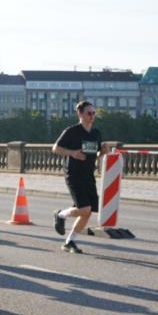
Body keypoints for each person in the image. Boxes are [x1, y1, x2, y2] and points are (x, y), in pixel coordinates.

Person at [52, 100, 107, 254]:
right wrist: (72, 153)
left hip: (88, 175)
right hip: (73, 175)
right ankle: (61, 215)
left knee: (87, 212)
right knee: (85, 208)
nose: (92, 116)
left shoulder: (96, 133)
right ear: (80, 114)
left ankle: (69, 241)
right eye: (89, 113)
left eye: (94, 113)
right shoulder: (71, 131)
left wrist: (102, 152)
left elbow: (94, 154)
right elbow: (55, 148)